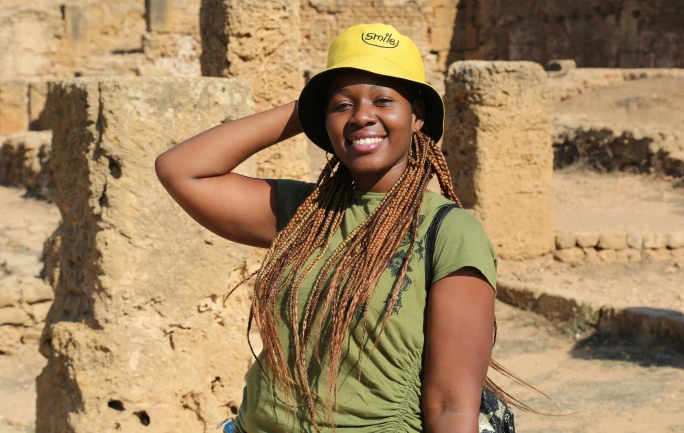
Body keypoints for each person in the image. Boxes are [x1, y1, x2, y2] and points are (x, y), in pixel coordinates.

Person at [154, 24, 501, 433]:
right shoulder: (306, 212)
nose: (362, 116)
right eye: (342, 106)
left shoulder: (448, 233)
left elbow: (451, 408)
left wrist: (338, 103)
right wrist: (306, 109)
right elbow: (180, 170)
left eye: (383, 100)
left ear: (417, 117)